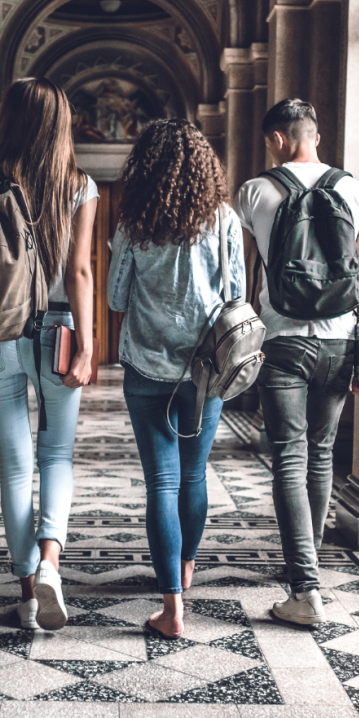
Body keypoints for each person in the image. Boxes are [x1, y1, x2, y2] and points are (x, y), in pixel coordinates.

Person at [235, 99, 359, 625]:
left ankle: (305, 586)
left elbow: (247, 275)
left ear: (276, 138)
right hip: (342, 339)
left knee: (289, 459)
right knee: (321, 455)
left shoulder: (255, 191)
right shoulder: (357, 191)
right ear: (316, 136)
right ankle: (308, 566)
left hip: (283, 341)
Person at [0, 78, 97, 631]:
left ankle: (26, 591)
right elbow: (80, 271)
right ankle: (50, 563)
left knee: (16, 464)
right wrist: (89, 346)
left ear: (10, 120)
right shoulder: (80, 185)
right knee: (56, 457)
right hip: (59, 328)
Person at [108, 119, 246, 639]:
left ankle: (172, 607)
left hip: (146, 365)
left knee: (161, 482)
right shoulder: (223, 219)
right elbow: (235, 293)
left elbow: (116, 299)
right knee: (193, 475)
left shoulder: (132, 222)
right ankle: (185, 568)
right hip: (207, 368)